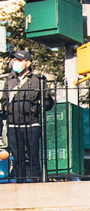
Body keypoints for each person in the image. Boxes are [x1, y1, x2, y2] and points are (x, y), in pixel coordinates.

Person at [0, 50, 54, 182]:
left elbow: (48, 102)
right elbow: (4, 100)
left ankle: (36, 181)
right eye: (14, 60)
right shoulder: (9, 80)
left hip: (31, 124)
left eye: (19, 60)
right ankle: (20, 181)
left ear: (27, 63)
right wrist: (6, 108)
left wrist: (34, 109)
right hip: (13, 124)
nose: (14, 62)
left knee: (33, 156)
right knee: (17, 157)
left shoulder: (37, 80)